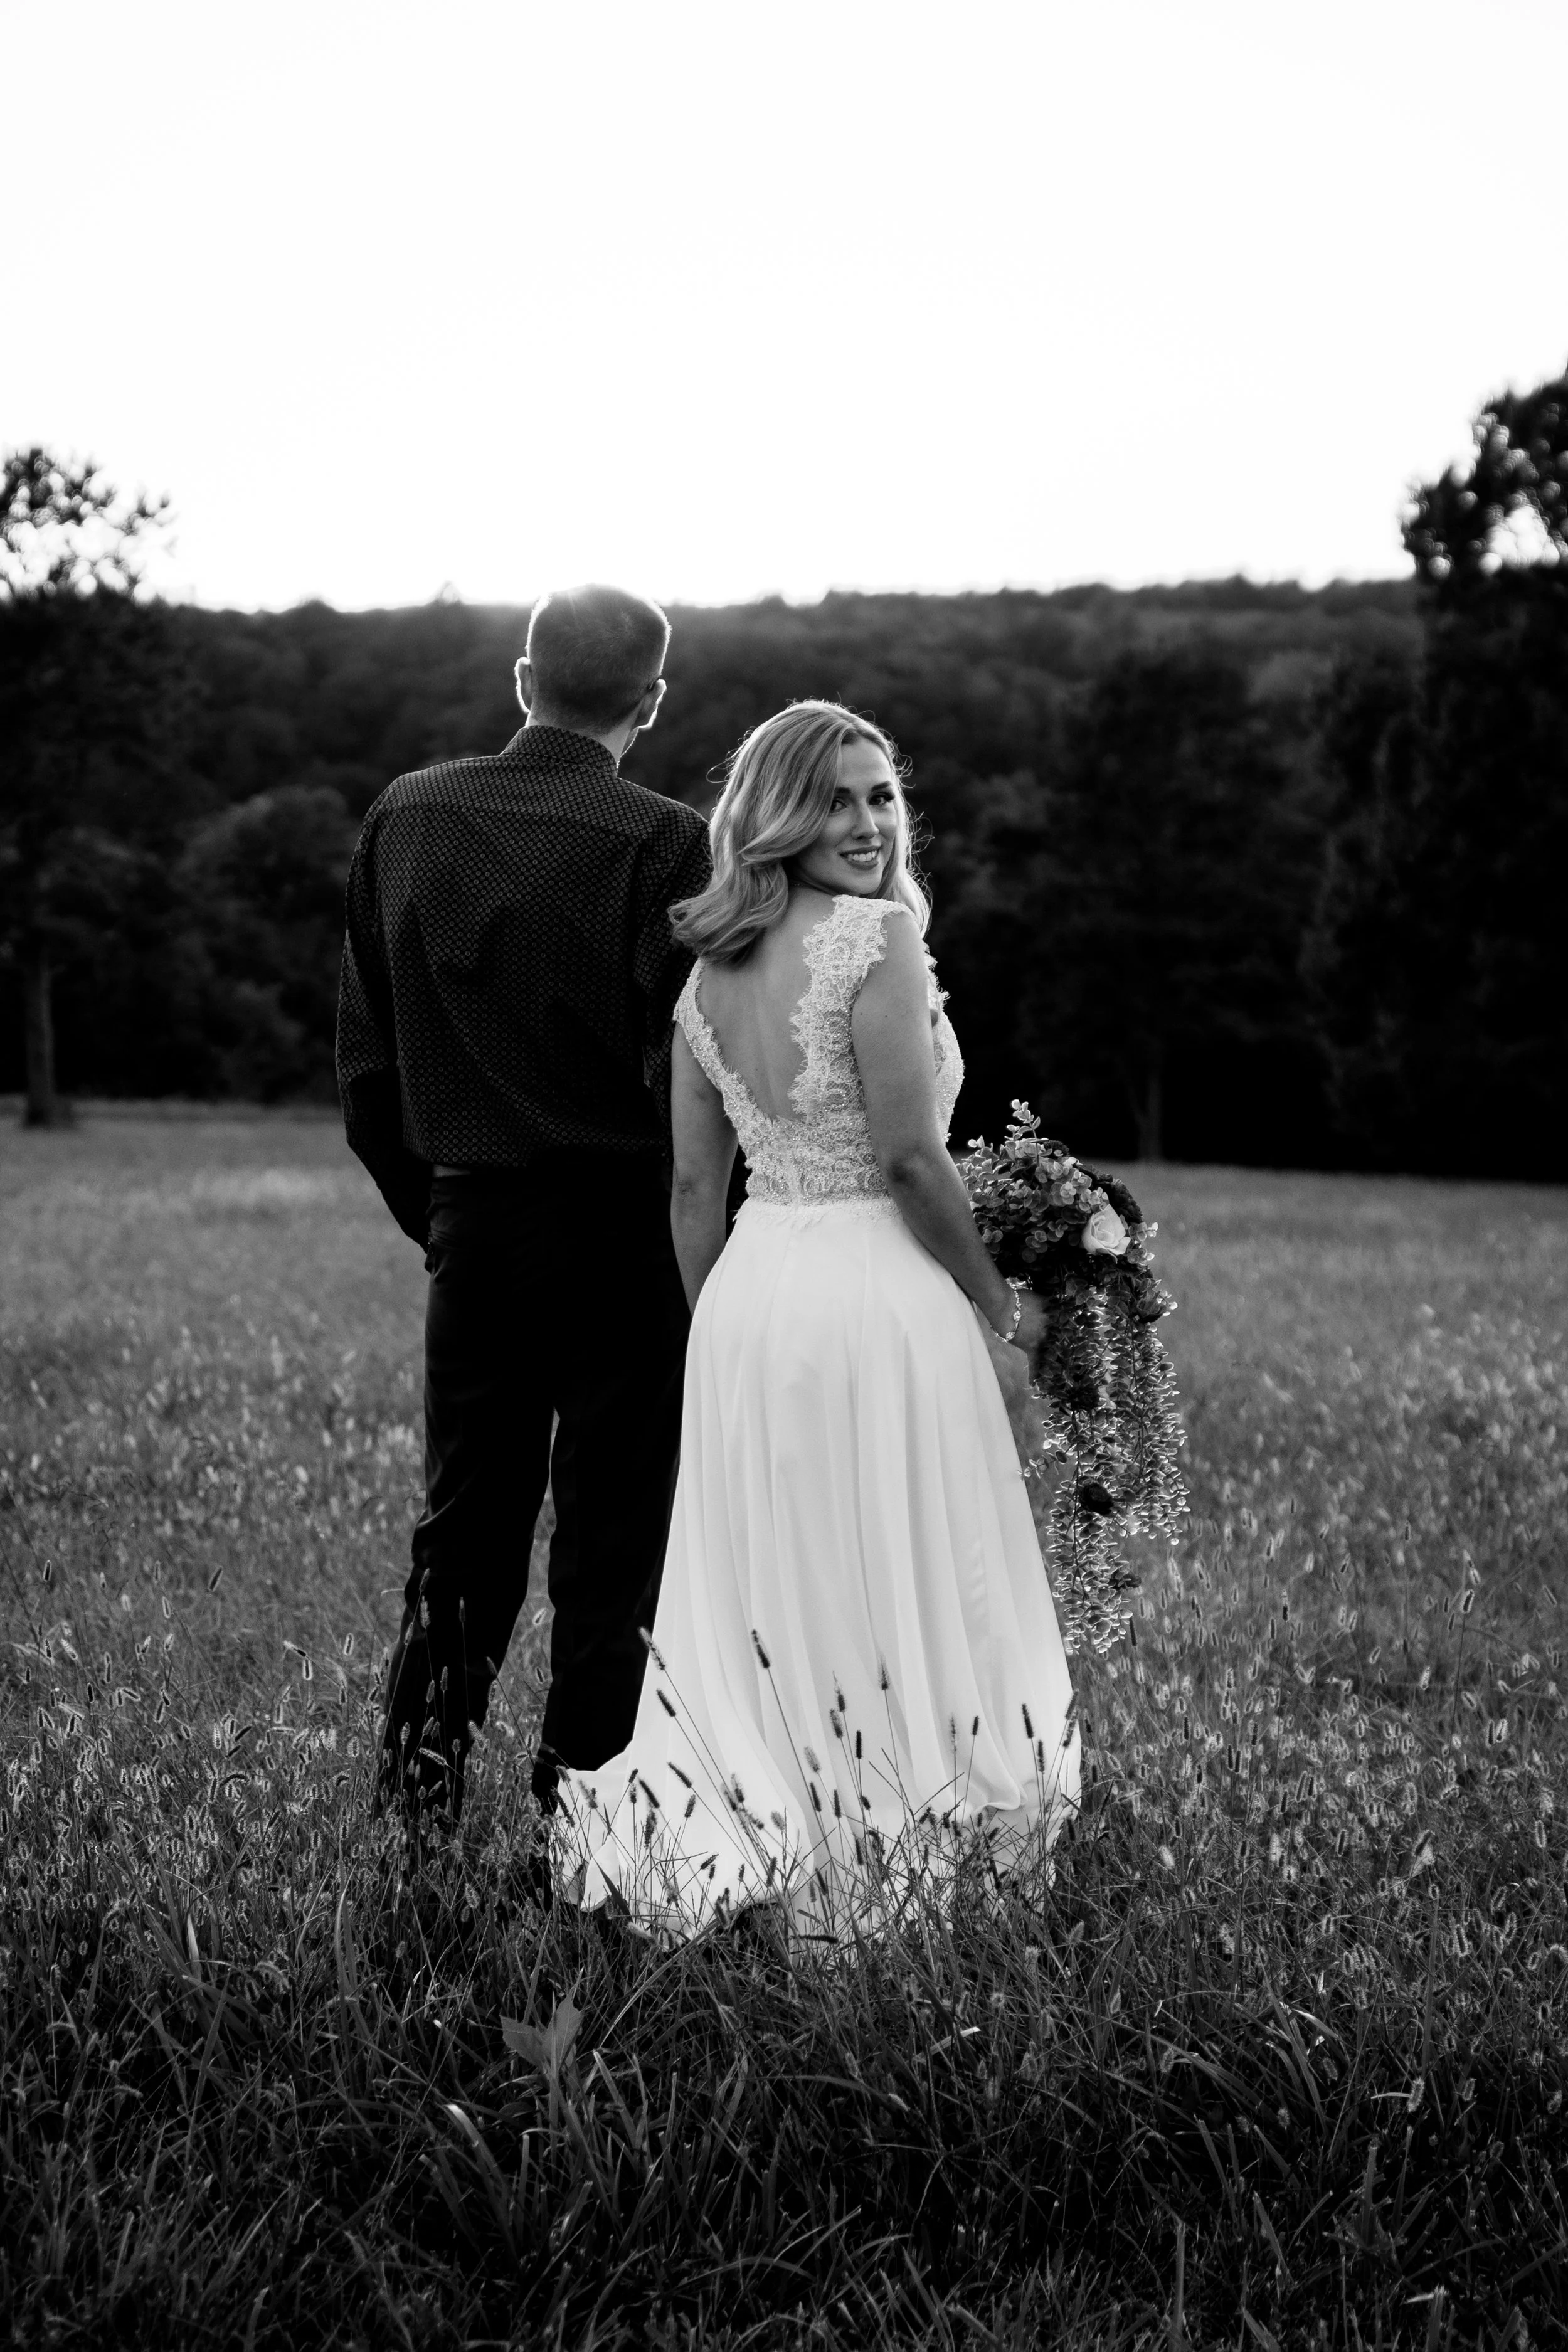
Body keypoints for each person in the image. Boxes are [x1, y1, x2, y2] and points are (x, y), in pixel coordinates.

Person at [557, 699, 1078, 1936]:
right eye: (834, 799)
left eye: (880, 796)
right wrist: (1004, 1309)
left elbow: (695, 1191)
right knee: (896, 1552)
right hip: (870, 1288)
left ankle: (764, 1826)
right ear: (777, 814)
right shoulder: (875, 937)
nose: (862, 823)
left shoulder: (703, 974)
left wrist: (722, 1335)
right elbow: (908, 1159)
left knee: (787, 1576)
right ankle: (898, 1839)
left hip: (751, 1293)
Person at [336, 583, 711, 1827]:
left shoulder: (404, 816)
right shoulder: (667, 844)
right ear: (649, 702)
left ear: (521, 677)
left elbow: (365, 1076)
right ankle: (584, 1822)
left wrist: (444, 1216)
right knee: (617, 1541)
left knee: (463, 1529)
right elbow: (703, 1084)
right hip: (627, 1235)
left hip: (475, 1223)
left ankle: (416, 1811)